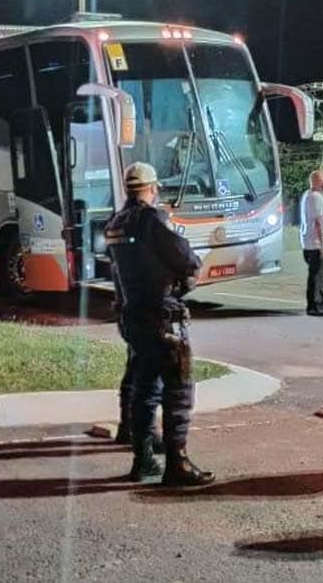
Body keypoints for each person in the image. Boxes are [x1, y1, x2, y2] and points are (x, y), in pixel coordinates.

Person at [105, 162, 215, 486]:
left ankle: (143, 460)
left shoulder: (115, 224)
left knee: (144, 389)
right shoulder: (151, 220)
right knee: (178, 389)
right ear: (152, 188)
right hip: (162, 318)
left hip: (134, 316)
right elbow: (185, 258)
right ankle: (177, 462)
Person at [300, 169, 323, 317]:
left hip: (312, 243)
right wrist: (322, 246)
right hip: (315, 244)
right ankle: (315, 305)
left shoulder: (310, 196)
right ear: (315, 181)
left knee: (317, 275)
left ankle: (319, 303)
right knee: (316, 276)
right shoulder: (314, 197)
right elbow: (318, 222)